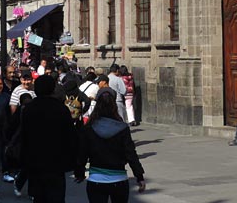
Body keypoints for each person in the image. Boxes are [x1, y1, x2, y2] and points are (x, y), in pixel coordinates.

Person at [75, 89, 146, 202]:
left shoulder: (88, 129)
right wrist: (139, 176)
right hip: (119, 180)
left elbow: (82, 153)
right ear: (114, 105)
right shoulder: (122, 128)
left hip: (96, 180)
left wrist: (79, 173)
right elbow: (131, 154)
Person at [21, 75, 77, 203]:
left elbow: (25, 135)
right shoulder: (61, 109)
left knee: (39, 196)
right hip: (56, 160)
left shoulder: (29, 109)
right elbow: (70, 136)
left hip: (35, 159)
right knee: (56, 195)